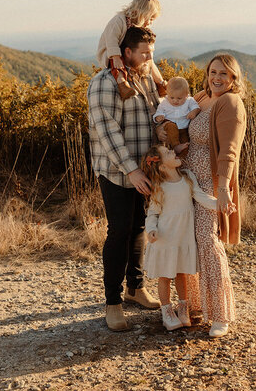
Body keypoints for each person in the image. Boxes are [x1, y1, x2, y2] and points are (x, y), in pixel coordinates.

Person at [87, 25, 163, 331]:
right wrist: (131, 169)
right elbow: (106, 131)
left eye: (152, 53)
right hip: (117, 170)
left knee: (139, 227)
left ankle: (136, 288)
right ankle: (113, 302)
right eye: (144, 53)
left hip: (146, 171)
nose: (149, 58)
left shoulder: (146, 80)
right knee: (119, 231)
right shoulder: (104, 82)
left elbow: (156, 117)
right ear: (126, 52)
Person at [183, 54, 246, 338]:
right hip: (186, 182)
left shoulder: (229, 103)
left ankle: (221, 314)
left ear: (234, 78)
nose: (217, 78)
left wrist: (223, 191)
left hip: (210, 183)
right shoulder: (201, 97)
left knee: (209, 241)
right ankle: (197, 307)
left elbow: (229, 151)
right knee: (190, 241)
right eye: (212, 72)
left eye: (223, 74)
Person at [140, 144, 225, 330]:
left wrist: (220, 204)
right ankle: (167, 312)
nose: (174, 152)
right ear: (162, 166)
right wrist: (151, 230)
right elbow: (153, 213)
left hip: (183, 238)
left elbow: (201, 196)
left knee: (181, 274)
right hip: (165, 238)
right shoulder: (159, 187)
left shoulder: (187, 178)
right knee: (165, 276)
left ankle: (183, 308)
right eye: (168, 153)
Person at [96, 0, 167, 100]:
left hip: (126, 51)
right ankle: (122, 84)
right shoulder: (119, 21)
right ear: (141, 13)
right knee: (118, 64)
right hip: (110, 52)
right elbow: (111, 40)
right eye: (150, 18)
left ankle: (161, 83)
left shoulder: (139, 25)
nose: (150, 22)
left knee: (149, 60)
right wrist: (116, 56)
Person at [152, 76, 200, 157]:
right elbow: (158, 112)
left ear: (186, 95)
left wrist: (194, 112)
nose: (175, 101)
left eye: (179, 98)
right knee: (171, 127)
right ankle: (175, 146)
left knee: (185, 143)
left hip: (184, 129)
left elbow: (196, 107)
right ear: (167, 94)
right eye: (172, 97)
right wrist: (158, 117)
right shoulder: (165, 102)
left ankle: (182, 157)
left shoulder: (189, 101)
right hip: (169, 126)